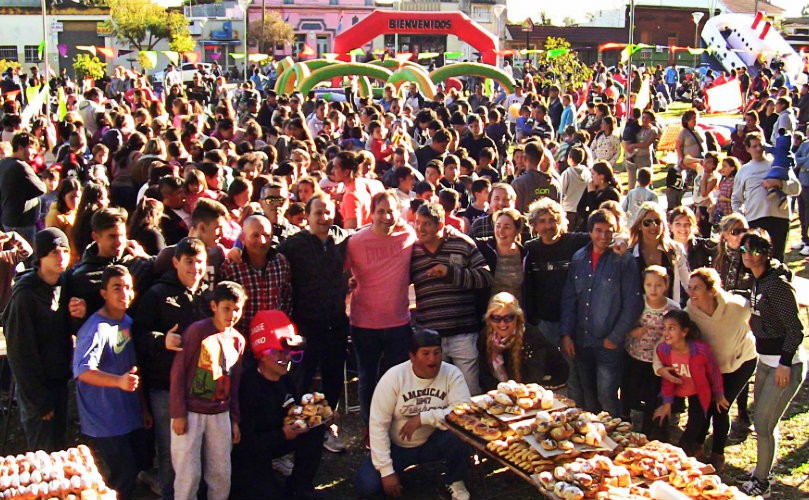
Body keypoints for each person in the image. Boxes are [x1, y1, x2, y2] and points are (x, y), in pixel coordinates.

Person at [132, 237, 211, 500]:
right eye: (189, 262)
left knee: (199, 450)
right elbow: (138, 334)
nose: (195, 268)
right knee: (170, 452)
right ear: (176, 262)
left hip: (202, 386)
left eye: (199, 262)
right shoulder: (157, 294)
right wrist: (161, 340)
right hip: (165, 386)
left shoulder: (208, 295)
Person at [355, 328, 473, 500]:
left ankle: (456, 480)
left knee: (460, 432)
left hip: (433, 441)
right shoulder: (393, 378)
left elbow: (463, 410)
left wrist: (422, 418)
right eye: (425, 353)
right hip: (397, 447)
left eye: (436, 353)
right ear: (412, 356)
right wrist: (386, 472)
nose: (432, 359)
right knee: (368, 487)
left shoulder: (452, 373)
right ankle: (393, 473)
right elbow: (377, 425)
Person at [278, 193, 350, 453]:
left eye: (328, 212)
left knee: (332, 379)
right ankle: (298, 429)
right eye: (317, 213)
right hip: (305, 325)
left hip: (336, 323)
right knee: (301, 379)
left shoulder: (342, 239)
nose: (323, 217)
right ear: (306, 216)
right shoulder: (293, 244)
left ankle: (327, 426)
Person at [738, 229, 808, 497]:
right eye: (744, 250)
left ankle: (763, 482)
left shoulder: (776, 285)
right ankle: (760, 472)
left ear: (766, 254)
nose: (748, 255)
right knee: (763, 422)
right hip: (765, 361)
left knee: (764, 424)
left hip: (783, 363)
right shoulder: (756, 280)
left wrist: (785, 363)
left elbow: (796, 329)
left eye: (754, 250)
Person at [231, 310, 326, 499]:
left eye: (289, 353)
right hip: (252, 453)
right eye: (279, 353)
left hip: (280, 437)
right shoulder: (248, 387)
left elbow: (295, 409)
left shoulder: (286, 379)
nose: (287, 359)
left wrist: (319, 411)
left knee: (317, 423)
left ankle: (300, 485)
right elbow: (244, 444)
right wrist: (281, 434)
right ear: (262, 355)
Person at [73, 265, 149, 500]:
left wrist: (144, 408)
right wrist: (118, 382)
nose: (124, 293)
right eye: (117, 288)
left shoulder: (128, 322)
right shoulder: (96, 327)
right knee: (121, 477)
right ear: (104, 293)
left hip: (130, 415)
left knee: (138, 467)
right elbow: (82, 370)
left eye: (128, 287)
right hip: (105, 419)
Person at [4, 228, 81, 452]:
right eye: (54, 252)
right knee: (43, 454)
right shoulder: (25, 296)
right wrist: (39, 400)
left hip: (59, 381)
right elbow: (20, 354)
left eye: (65, 251)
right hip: (36, 389)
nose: (61, 257)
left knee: (59, 450)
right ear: (41, 257)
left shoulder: (64, 282)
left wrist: (78, 315)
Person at [560, 209, 643, 416]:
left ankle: (617, 437)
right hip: (582, 339)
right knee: (589, 396)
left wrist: (615, 337)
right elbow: (570, 299)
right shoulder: (579, 258)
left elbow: (633, 303)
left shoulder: (623, 260)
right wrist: (566, 334)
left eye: (609, 231)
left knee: (607, 395)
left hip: (608, 342)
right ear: (590, 232)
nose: (603, 236)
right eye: (598, 231)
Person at [345, 191, 417, 428]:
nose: (386, 216)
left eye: (391, 211)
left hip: (398, 323)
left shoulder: (408, 235)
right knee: (368, 380)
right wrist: (347, 284)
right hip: (364, 324)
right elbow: (339, 271)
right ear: (371, 213)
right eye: (380, 211)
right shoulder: (355, 241)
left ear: (399, 212)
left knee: (398, 379)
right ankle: (370, 429)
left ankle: (396, 425)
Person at [169, 281, 247, 500]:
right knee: (188, 474)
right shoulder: (197, 331)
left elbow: (235, 382)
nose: (232, 314)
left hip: (220, 413)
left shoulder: (238, 341)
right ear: (214, 306)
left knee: (221, 472)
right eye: (226, 308)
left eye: (237, 309)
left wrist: (234, 418)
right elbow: (179, 372)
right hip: (191, 412)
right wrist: (178, 413)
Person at [411, 202, 493, 395]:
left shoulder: (462, 243)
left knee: (469, 390)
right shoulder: (412, 251)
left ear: (440, 226)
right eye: (417, 223)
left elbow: (486, 277)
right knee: (434, 393)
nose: (420, 229)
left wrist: (451, 273)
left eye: (426, 224)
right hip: (431, 336)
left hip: (462, 333)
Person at [683, 267, 757, 472]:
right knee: (703, 404)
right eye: (690, 288)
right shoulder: (690, 311)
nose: (692, 293)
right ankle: (697, 446)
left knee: (720, 406)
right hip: (712, 366)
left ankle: (718, 453)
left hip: (740, 363)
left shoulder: (737, 307)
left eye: (697, 288)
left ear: (711, 290)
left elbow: (757, 314)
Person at [652, 310, 726, 459]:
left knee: (695, 424)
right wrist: (667, 402)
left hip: (698, 391)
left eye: (671, 328)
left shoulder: (701, 350)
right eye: (664, 328)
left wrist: (718, 394)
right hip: (676, 388)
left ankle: (684, 453)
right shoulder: (663, 349)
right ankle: (659, 451)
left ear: (685, 331)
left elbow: (714, 372)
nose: (666, 332)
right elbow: (668, 378)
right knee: (659, 416)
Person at [65, 207, 154, 318]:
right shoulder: (83, 278)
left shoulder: (138, 262)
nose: (119, 242)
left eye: (122, 235)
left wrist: (146, 257)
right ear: (96, 237)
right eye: (112, 236)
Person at [622, 265, 679, 437]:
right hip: (635, 355)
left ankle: (650, 430)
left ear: (666, 285)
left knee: (653, 396)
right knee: (630, 392)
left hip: (658, 362)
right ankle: (626, 424)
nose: (653, 289)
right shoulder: (637, 303)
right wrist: (634, 332)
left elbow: (680, 334)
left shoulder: (672, 308)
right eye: (649, 285)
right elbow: (623, 325)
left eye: (658, 285)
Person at [220, 215, 292, 343]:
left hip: (272, 341)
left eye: (266, 235)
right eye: (255, 235)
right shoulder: (232, 266)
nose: (262, 241)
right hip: (241, 341)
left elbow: (286, 297)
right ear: (243, 238)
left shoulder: (280, 262)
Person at [732, 132, 800, 261]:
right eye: (754, 146)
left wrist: (779, 183)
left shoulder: (779, 164)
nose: (758, 149)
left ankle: (777, 281)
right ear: (747, 149)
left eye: (761, 145)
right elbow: (736, 199)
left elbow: (796, 189)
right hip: (755, 218)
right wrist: (739, 215)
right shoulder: (744, 170)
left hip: (779, 217)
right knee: (757, 258)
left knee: (776, 258)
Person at [478, 292, 566, 392]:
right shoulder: (484, 336)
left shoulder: (532, 337)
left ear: (517, 317)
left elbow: (533, 379)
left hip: (546, 384)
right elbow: (484, 377)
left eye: (508, 318)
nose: (502, 324)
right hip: (503, 392)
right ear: (489, 319)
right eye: (496, 318)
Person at [629, 202, 691, 304]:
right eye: (647, 223)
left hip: (669, 313)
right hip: (640, 315)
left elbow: (688, 283)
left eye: (658, 222)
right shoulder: (630, 255)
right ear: (639, 225)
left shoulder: (675, 250)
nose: (653, 226)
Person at [0, 132, 47, 245]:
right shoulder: (21, 166)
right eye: (31, 148)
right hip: (22, 223)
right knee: (27, 255)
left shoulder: (3, 163)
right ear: (20, 148)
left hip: (8, 219)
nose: (34, 152)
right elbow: (42, 188)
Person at [475, 208, 525, 302]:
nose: (501, 231)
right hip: (490, 313)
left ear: (517, 230)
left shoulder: (525, 254)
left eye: (506, 227)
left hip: (516, 313)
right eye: (498, 226)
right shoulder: (483, 250)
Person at [511, 141, 561, 212]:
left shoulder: (518, 184)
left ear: (524, 158)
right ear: (542, 158)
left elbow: (515, 213)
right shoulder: (554, 184)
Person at [576, 161, 621, 225]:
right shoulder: (591, 187)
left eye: (593, 174)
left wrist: (591, 193)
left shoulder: (612, 193)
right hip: (588, 225)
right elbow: (580, 207)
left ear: (602, 176)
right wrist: (587, 216)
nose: (591, 177)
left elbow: (596, 211)